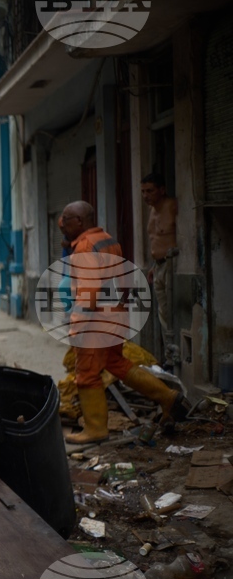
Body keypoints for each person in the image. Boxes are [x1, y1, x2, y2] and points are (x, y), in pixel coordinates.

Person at [58, 201, 186, 443]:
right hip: (114, 315)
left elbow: (89, 292)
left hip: (95, 320)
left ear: (80, 222)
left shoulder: (85, 246)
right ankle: (168, 396)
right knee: (117, 363)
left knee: (86, 374)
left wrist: (76, 326)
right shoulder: (106, 239)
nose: (62, 224)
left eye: (66, 219)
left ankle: (95, 429)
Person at [140, 173, 178, 355]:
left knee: (172, 313)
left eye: (150, 191)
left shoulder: (172, 206)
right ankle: (170, 357)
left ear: (162, 190)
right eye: (143, 191)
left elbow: (181, 237)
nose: (146, 195)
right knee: (163, 314)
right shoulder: (152, 210)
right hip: (159, 267)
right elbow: (156, 240)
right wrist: (154, 266)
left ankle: (177, 355)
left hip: (173, 266)